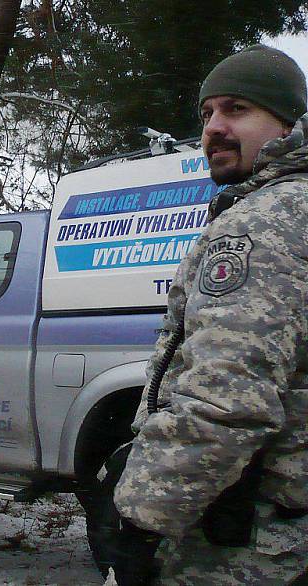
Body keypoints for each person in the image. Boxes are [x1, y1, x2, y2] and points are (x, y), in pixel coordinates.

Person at [107, 44, 308, 584]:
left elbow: (227, 400)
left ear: (288, 123)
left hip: (248, 540)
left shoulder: (264, 222)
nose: (214, 128)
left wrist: (141, 518)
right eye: (206, 113)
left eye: (237, 109)